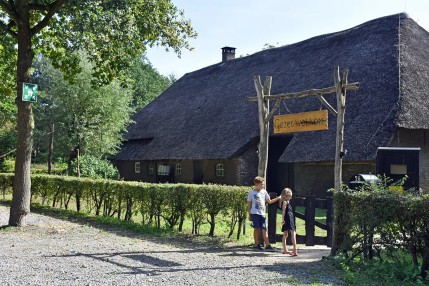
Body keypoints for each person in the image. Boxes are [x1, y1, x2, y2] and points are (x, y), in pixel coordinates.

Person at [247, 176, 281, 251]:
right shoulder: (251, 193)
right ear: (256, 184)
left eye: (263, 184)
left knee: (264, 229)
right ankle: (257, 244)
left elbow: (269, 201)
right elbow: (249, 204)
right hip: (255, 213)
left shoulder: (264, 192)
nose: (263, 185)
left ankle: (268, 245)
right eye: (261, 184)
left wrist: (278, 198)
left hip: (262, 213)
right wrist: (249, 215)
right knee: (256, 229)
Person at [280, 188, 298, 256]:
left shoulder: (287, 202)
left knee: (286, 234)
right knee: (292, 233)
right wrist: (282, 219)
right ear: (285, 196)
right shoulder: (285, 202)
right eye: (289, 196)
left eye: (291, 196)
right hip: (287, 219)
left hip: (290, 218)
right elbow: (283, 211)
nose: (290, 198)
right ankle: (293, 250)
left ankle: (286, 250)